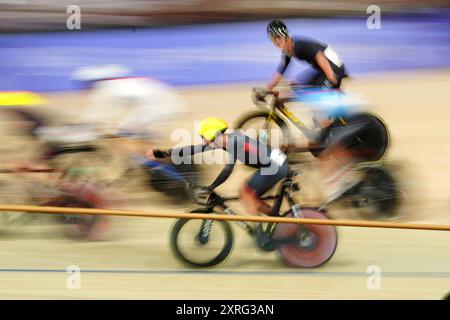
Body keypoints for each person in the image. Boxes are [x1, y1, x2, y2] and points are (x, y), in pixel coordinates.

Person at [145, 117, 289, 216]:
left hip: (275, 166)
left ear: (213, 134)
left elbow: (227, 171)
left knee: (245, 193)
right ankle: (278, 221)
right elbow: (191, 150)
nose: (203, 141)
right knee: (250, 195)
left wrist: (211, 187)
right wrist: (160, 153)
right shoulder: (225, 140)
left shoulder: (234, 142)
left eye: (204, 137)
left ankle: (261, 232)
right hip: (276, 164)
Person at [266, 19, 348, 94]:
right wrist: (269, 88)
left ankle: (340, 101)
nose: (277, 42)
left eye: (279, 38)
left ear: (286, 36)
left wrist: (330, 75)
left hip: (333, 68)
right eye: (274, 40)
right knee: (298, 87)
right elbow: (281, 71)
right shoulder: (288, 50)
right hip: (323, 69)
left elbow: (319, 56)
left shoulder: (298, 45)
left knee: (319, 95)